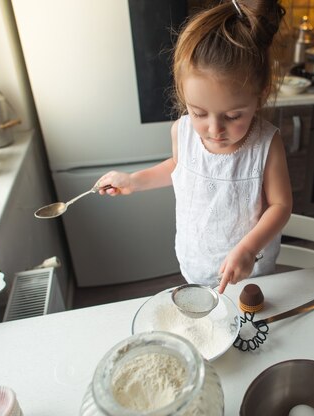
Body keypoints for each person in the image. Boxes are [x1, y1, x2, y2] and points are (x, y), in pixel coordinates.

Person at [96, 0, 292, 293]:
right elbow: (178, 166)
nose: (214, 129)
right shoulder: (183, 131)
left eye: (233, 115)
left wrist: (249, 247)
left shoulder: (265, 143)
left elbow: (281, 205)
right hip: (197, 260)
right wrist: (133, 181)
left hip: (249, 271)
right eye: (199, 113)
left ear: (261, 95)